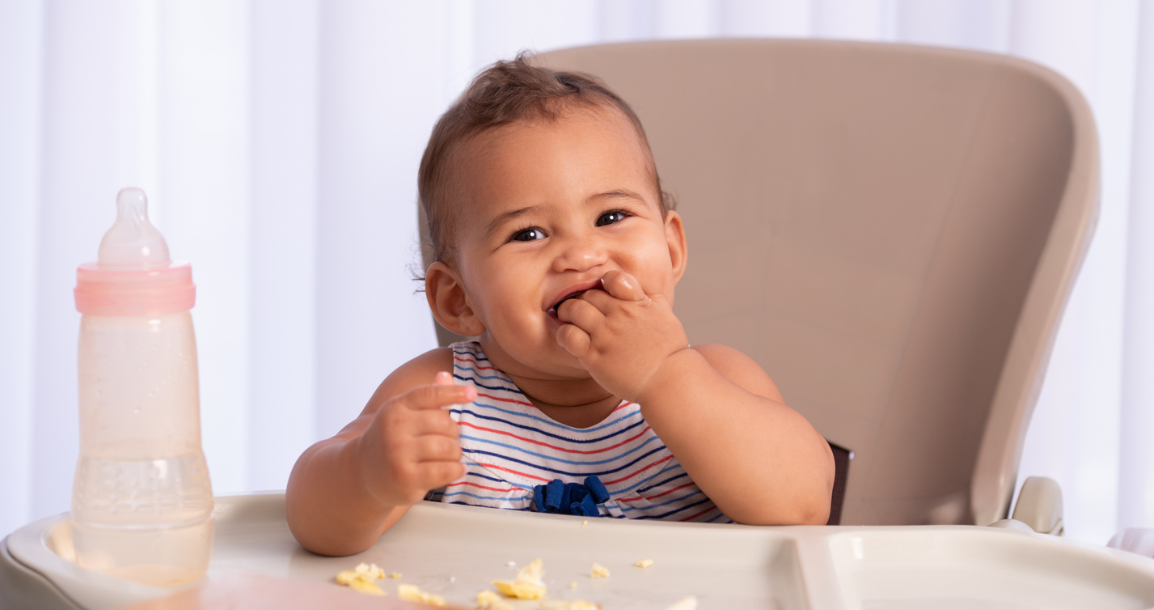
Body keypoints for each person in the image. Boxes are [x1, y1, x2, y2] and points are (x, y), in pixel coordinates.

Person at [286, 55, 834, 556]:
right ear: (459, 300)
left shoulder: (718, 380)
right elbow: (313, 523)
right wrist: (367, 474)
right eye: (528, 233)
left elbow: (804, 506)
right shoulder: (442, 397)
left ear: (670, 251)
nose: (581, 254)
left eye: (611, 217)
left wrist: (665, 375)